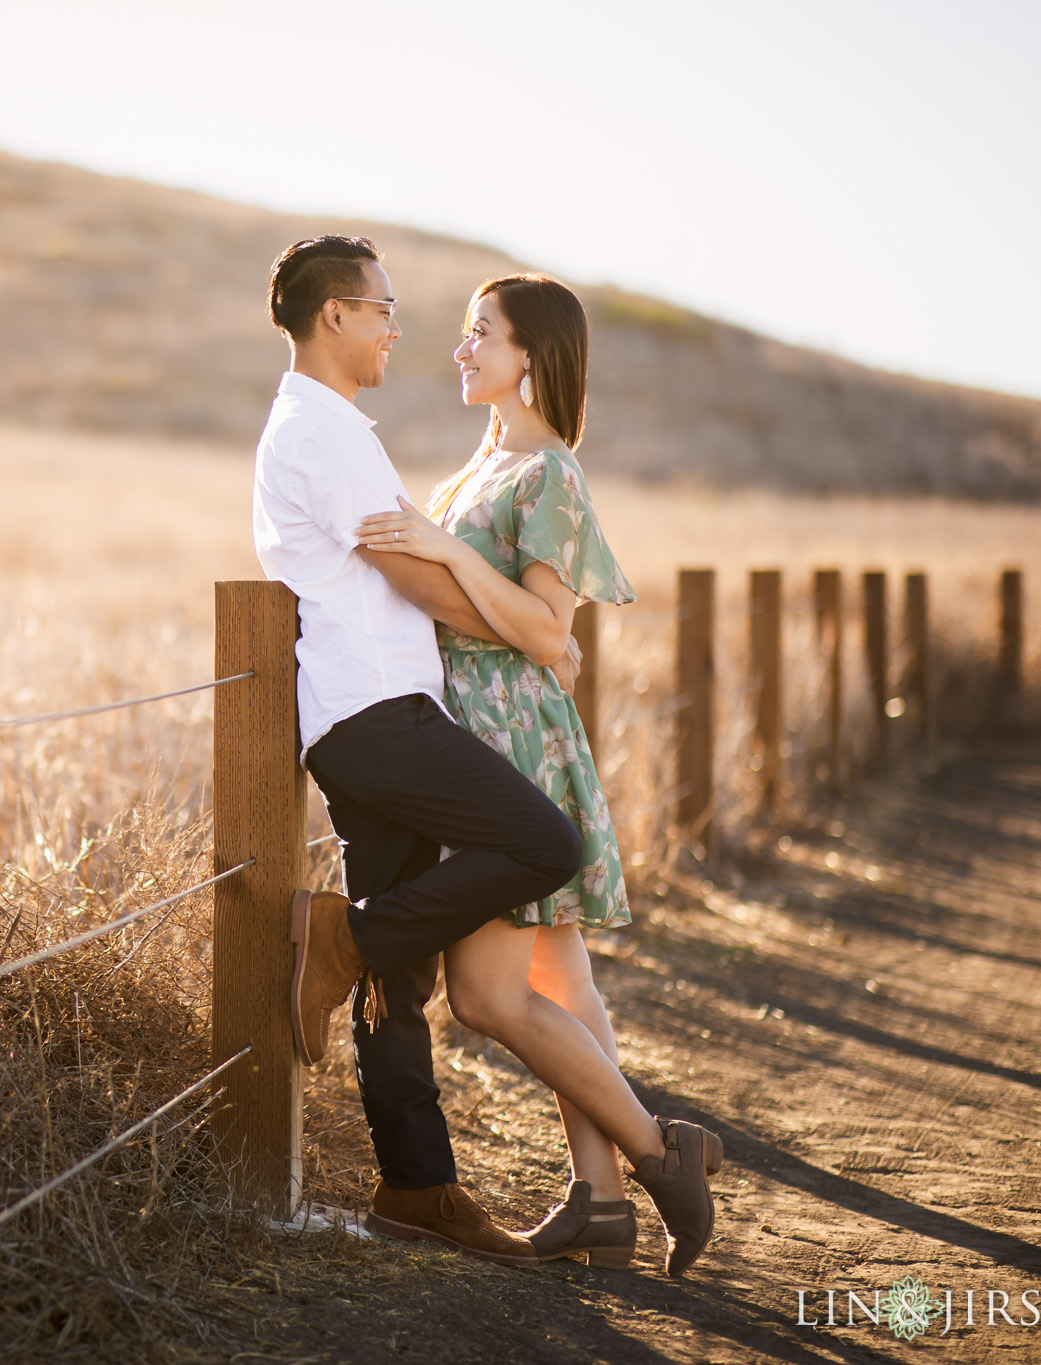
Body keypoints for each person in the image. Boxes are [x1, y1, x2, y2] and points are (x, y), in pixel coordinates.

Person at [352, 272, 722, 1276]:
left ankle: (658, 1155)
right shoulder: (473, 472)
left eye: (481, 333)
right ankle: (598, 1202)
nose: (461, 348)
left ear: (531, 356)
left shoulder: (548, 474)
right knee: (559, 974)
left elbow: (546, 629)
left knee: (486, 998)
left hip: (509, 748)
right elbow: (499, 622)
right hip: (481, 729)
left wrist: (447, 559)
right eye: (465, 332)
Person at [255, 235, 585, 1267]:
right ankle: (340, 940)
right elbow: (411, 576)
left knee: (399, 979)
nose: (398, 327)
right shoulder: (322, 430)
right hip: (373, 715)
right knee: (544, 846)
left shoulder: (325, 424)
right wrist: (531, 633)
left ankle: (415, 1187)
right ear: (334, 317)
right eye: (383, 308)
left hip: (374, 710)